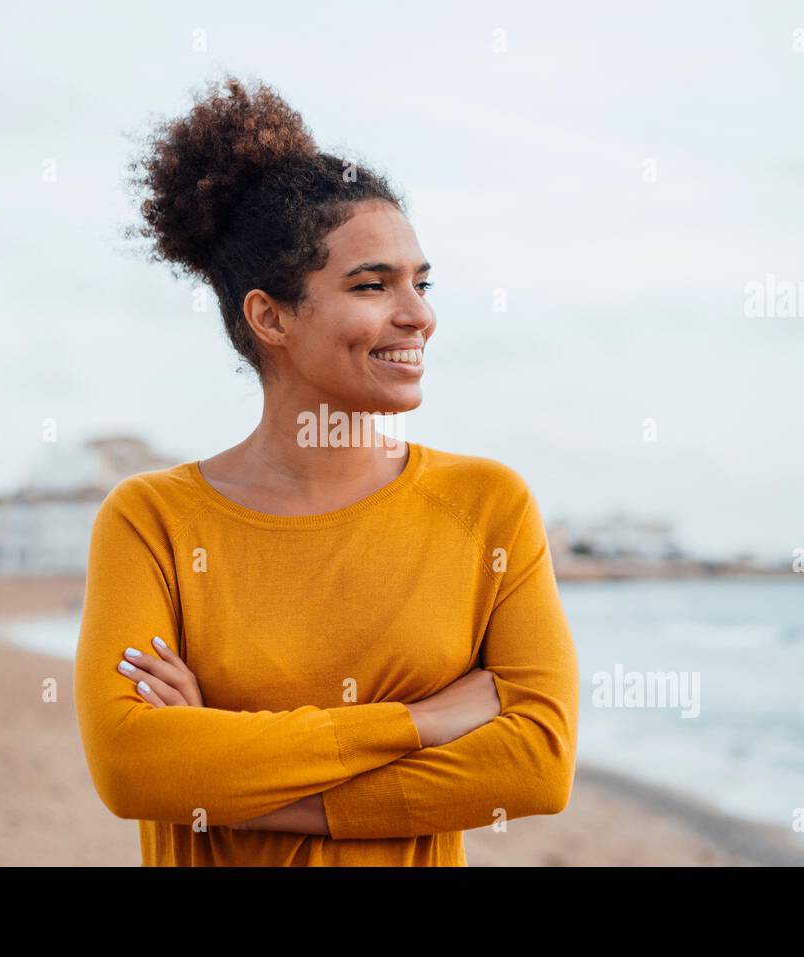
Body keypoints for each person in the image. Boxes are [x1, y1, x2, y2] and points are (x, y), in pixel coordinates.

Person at [73, 74, 578, 866]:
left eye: (422, 281)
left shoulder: (488, 505)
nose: (418, 315)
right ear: (270, 315)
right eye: (371, 284)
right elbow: (135, 766)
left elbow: (538, 764)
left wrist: (238, 767)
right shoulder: (152, 520)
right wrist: (419, 722)